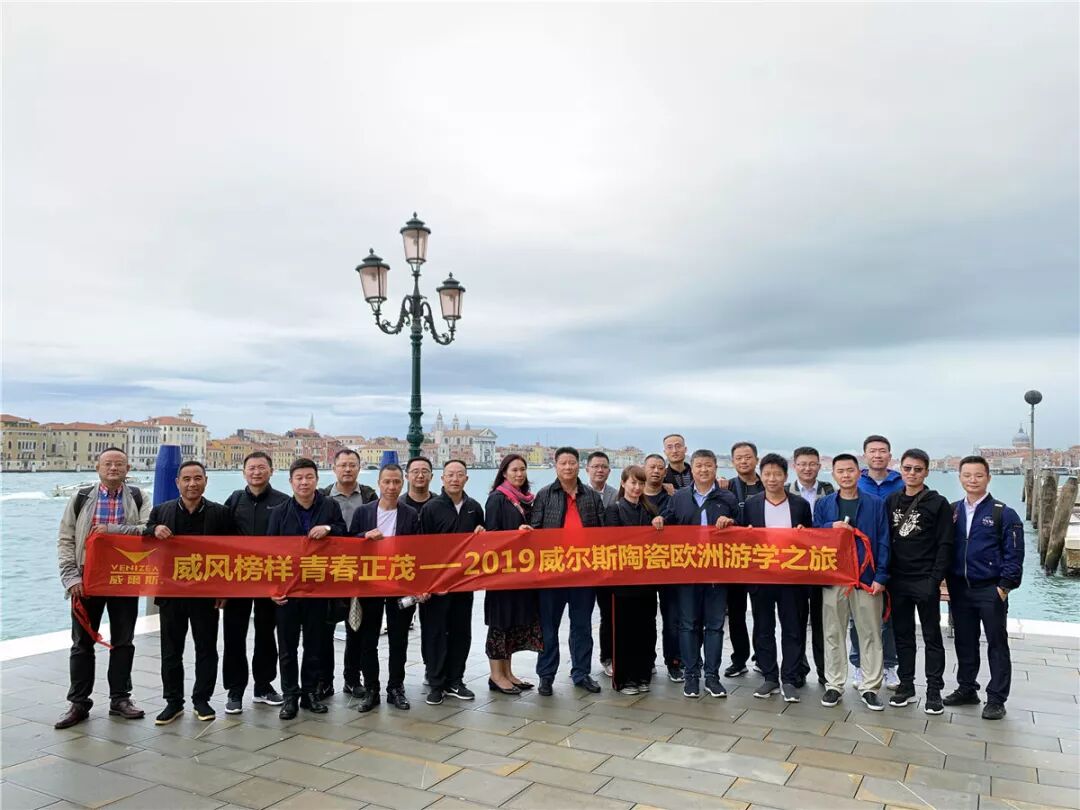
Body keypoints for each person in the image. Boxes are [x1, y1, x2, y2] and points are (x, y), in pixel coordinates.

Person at [54, 447, 150, 730]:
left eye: (119, 464)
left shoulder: (139, 497)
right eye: (108, 464)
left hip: (124, 576)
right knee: (82, 643)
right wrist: (71, 578)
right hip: (87, 578)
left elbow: (147, 530)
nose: (113, 468)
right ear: (98, 467)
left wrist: (112, 530)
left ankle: (120, 698)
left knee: (124, 642)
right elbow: (65, 539)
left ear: (128, 468)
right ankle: (78, 702)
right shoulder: (81, 498)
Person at [145, 461, 233, 724]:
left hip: (206, 593)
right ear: (177, 482)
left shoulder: (221, 514)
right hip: (171, 593)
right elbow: (143, 542)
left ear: (206, 481)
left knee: (206, 648)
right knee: (171, 650)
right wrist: (153, 530)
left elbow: (231, 553)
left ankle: (202, 700)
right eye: (186, 479)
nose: (192, 484)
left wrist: (224, 589)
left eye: (197, 478)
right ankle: (173, 702)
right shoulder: (161, 511)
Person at [943, 456, 1024, 720]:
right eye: (967, 475)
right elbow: (944, 548)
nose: (973, 480)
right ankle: (967, 688)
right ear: (960, 478)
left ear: (988, 477)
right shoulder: (952, 511)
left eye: (978, 475)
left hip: (990, 589)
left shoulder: (1003, 513)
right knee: (964, 641)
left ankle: (997, 698)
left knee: (996, 643)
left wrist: (1004, 587)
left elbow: (1014, 554)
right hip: (959, 589)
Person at [269, 458, 348, 719]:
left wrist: (328, 528)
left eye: (309, 477)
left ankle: (310, 693)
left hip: (318, 588)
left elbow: (344, 534)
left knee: (315, 644)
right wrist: (273, 588)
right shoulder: (280, 512)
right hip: (289, 591)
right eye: (299, 478)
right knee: (287, 647)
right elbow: (269, 553)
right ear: (291, 482)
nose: (304, 482)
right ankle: (290, 696)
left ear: (317, 479)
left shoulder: (329, 506)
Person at [525, 447, 606, 696]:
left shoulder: (591, 496)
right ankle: (546, 675)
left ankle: (581, 673)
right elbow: (535, 531)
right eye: (563, 463)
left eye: (572, 463)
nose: (568, 467)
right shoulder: (545, 494)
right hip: (553, 573)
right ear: (556, 466)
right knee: (548, 627)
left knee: (582, 626)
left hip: (584, 573)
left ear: (579, 465)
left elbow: (603, 532)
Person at [814, 454, 890, 711]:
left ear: (859, 473)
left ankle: (870, 687)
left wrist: (881, 576)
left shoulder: (876, 503)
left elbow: (884, 540)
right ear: (833, 474)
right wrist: (830, 526)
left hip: (866, 578)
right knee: (832, 632)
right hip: (834, 577)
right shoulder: (824, 503)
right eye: (840, 471)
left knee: (870, 633)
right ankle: (834, 684)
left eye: (850, 470)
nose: (845, 475)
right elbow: (814, 535)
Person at [662, 449, 739, 699]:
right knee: (688, 625)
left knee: (715, 626)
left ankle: (712, 677)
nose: (703, 470)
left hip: (717, 572)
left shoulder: (727, 497)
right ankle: (691, 675)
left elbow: (742, 531)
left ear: (716, 468)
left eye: (708, 465)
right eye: (699, 465)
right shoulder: (680, 497)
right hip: (688, 571)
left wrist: (730, 523)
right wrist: (659, 521)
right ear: (691, 469)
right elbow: (668, 521)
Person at [885, 449, 953, 715]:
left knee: (932, 636)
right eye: (907, 468)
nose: (912, 473)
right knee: (902, 635)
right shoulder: (891, 500)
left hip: (925, 579)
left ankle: (934, 689)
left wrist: (935, 578)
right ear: (900, 469)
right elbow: (885, 538)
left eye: (917, 469)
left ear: (926, 472)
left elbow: (945, 543)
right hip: (897, 580)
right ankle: (906, 684)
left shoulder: (938, 503)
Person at [741, 453, 813, 703]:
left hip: (791, 579)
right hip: (761, 577)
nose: (772, 479)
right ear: (761, 476)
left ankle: (790, 678)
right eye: (767, 474)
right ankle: (770, 676)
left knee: (793, 629)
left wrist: (804, 533)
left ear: (786, 476)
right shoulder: (751, 504)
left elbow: (812, 541)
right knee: (763, 629)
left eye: (777, 474)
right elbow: (742, 540)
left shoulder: (799, 505)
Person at [348, 463, 419, 712]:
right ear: (379, 483)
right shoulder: (364, 512)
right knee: (368, 640)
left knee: (399, 640)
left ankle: (395, 688)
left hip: (399, 583)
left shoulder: (410, 514)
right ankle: (371, 689)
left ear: (402, 483)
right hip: (370, 584)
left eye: (396, 482)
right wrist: (364, 537)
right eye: (387, 481)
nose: (391, 487)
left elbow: (420, 551)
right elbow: (349, 543)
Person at [221, 451, 289, 714]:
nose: (256, 472)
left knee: (266, 634)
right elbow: (219, 540)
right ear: (244, 472)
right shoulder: (235, 500)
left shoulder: (282, 502)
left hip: (270, 579)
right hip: (238, 579)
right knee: (234, 635)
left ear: (271, 471)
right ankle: (235, 690)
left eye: (261, 467)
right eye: (251, 468)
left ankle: (263, 685)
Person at [418, 460, 486, 705]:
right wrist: (424, 584)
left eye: (459, 475)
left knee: (461, 632)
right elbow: (421, 548)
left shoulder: (474, 507)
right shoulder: (431, 508)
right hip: (437, 583)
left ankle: (456, 680)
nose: (455, 479)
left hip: (463, 583)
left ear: (466, 478)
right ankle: (436, 683)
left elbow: (483, 544)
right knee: (435, 633)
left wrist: (482, 534)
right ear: (442, 479)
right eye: (450, 475)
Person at [319, 449, 377, 699]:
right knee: (325, 628)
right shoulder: (321, 496)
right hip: (328, 570)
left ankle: (352, 679)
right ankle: (324, 681)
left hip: (361, 569)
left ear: (359, 468)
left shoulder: (369, 495)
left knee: (357, 627)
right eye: (343, 465)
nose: (347, 469)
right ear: (334, 468)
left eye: (352, 465)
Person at [483, 454, 542, 695]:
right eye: (514, 470)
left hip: (521, 573)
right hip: (501, 574)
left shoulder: (527, 499)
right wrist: (515, 533)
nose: (519, 474)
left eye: (522, 469)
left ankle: (508, 673)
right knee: (499, 623)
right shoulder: (497, 499)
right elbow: (491, 536)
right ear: (504, 472)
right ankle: (496, 676)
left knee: (512, 624)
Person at [604, 466, 665, 694]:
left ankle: (642, 675)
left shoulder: (650, 510)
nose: (637, 487)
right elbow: (612, 542)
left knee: (646, 628)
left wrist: (659, 523)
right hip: (623, 582)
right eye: (633, 483)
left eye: (641, 483)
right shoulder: (614, 510)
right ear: (623, 484)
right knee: (624, 630)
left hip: (647, 581)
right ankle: (625, 679)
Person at [851, 434, 903, 690]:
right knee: (857, 616)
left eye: (882, 451)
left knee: (889, 615)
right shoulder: (856, 483)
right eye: (872, 451)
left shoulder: (901, 482)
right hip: (860, 559)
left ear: (890, 456)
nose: (878, 455)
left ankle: (889, 665)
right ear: (865, 455)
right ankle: (860, 663)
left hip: (896, 557)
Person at [786, 447, 835, 687]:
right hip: (793, 566)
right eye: (802, 464)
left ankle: (825, 672)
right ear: (794, 465)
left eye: (812, 464)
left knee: (822, 623)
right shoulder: (785, 491)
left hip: (822, 565)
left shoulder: (829, 490)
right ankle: (797, 670)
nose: (807, 468)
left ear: (819, 466)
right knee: (794, 623)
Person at [723, 441, 763, 679]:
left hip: (762, 559)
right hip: (735, 560)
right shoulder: (726, 488)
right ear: (733, 462)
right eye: (739, 458)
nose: (744, 461)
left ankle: (762, 657)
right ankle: (739, 659)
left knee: (761, 613)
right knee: (736, 613)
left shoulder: (768, 484)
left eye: (748, 457)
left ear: (756, 459)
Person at [644, 453, 682, 682]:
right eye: (652, 467)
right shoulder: (635, 496)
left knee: (673, 619)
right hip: (643, 569)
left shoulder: (674, 497)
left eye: (660, 467)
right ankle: (647, 661)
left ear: (665, 472)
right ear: (644, 469)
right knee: (646, 619)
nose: (656, 471)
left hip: (670, 566)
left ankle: (674, 662)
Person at [586, 451, 618, 677]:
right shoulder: (579, 494)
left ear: (609, 470)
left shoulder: (617, 495)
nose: (600, 470)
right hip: (583, 564)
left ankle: (608, 657)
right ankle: (580, 663)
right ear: (587, 469)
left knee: (609, 614)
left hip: (609, 566)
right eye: (595, 466)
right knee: (581, 617)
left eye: (604, 467)